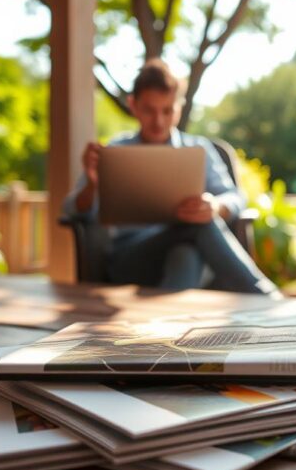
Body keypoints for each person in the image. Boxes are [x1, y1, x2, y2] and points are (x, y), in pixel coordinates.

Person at [62, 59, 280, 297]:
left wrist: (215, 206)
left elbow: (237, 198)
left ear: (180, 107)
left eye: (167, 110)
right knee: (196, 229)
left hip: (193, 257)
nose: (159, 121)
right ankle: (267, 298)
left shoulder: (200, 150)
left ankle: (164, 330)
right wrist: (93, 185)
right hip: (131, 260)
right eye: (149, 110)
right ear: (133, 105)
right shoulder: (114, 152)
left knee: (185, 251)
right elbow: (74, 210)